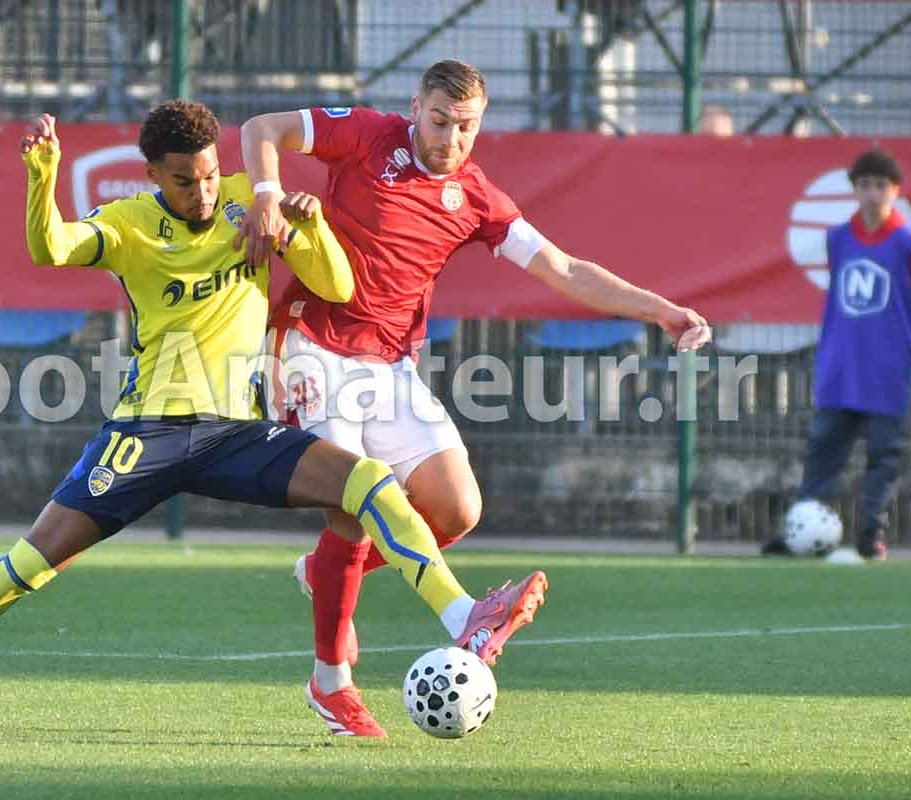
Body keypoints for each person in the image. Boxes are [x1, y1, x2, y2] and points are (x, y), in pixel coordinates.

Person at [0, 100, 549, 731]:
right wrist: (42, 176)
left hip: (235, 432)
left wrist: (308, 228)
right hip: (147, 434)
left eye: (210, 174)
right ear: (154, 177)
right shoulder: (127, 225)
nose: (204, 190)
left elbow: (336, 282)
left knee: (365, 482)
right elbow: (48, 248)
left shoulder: (247, 201)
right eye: (185, 179)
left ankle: (464, 618)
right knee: (30, 564)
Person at [237, 59, 711, 736]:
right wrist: (264, 192)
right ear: (415, 109)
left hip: (390, 365)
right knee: (350, 500)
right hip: (311, 343)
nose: (451, 140)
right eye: (439, 121)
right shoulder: (370, 136)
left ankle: (325, 572)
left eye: (467, 127)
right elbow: (263, 126)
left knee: (457, 507)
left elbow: (566, 269)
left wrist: (660, 310)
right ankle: (330, 681)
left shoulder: (477, 197)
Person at [762, 148, 911, 561]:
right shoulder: (837, 238)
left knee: (883, 454)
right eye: (864, 185)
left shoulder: (907, 242)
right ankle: (801, 530)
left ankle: (871, 533)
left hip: (889, 366)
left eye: (880, 186)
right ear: (854, 189)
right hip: (842, 364)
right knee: (823, 449)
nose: (872, 194)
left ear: (896, 191)